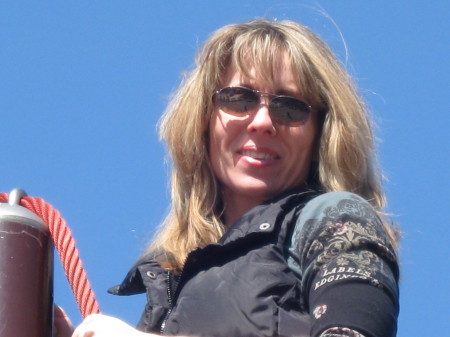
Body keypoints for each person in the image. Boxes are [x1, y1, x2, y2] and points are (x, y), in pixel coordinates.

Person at [59, 19, 400, 337]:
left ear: (320, 136)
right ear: (203, 121)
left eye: (290, 107)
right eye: (239, 99)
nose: (262, 121)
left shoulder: (337, 219)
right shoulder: (172, 275)